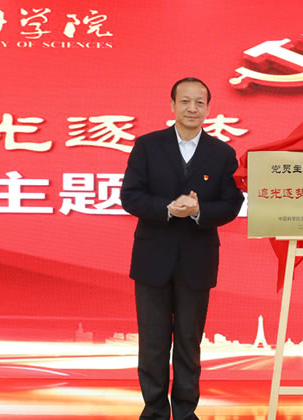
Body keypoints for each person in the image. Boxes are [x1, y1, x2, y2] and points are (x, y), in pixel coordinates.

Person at [119, 77, 245, 420]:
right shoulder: (148, 146)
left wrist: (199, 210)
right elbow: (130, 196)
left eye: (199, 102)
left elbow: (231, 204)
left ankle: (186, 413)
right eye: (185, 101)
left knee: (189, 341)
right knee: (153, 342)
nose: (192, 108)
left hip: (197, 259)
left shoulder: (222, 153)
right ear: (172, 105)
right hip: (152, 258)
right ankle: (155, 411)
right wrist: (168, 209)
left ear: (208, 108)